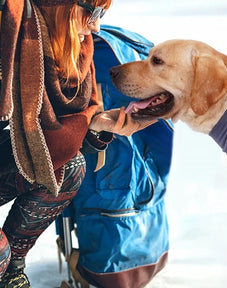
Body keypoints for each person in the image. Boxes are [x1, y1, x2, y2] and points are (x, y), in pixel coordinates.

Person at [0, 1, 154, 287]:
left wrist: (95, 123)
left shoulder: (70, 49)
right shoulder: (8, 31)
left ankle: (11, 271)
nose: (96, 26)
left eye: (102, 15)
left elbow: (55, 143)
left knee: (69, 167)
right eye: (92, 13)